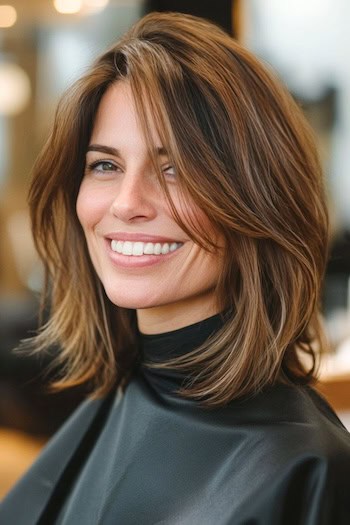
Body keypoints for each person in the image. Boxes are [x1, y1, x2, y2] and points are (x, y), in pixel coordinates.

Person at [1, 11, 350, 525]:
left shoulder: (308, 469)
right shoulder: (118, 399)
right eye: (105, 165)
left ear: (258, 200)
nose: (127, 203)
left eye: (176, 170)